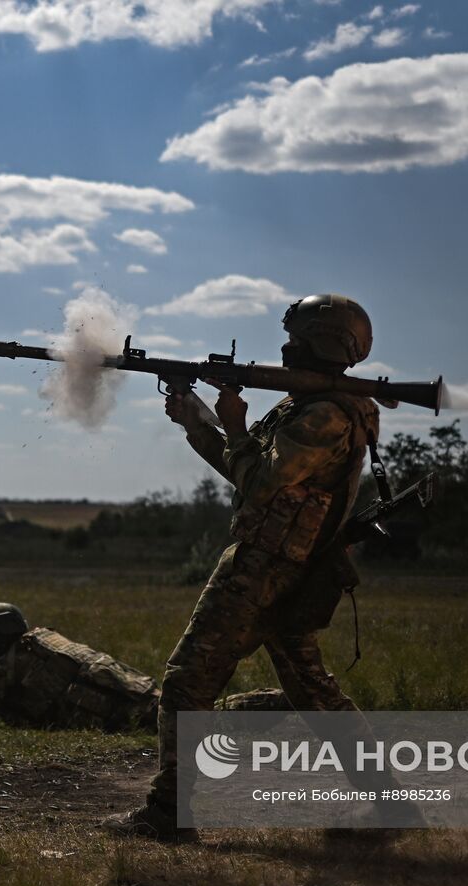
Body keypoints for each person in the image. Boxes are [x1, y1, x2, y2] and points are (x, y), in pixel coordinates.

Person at [102, 294, 381, 841]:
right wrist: (197, 419)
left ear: (320, 344)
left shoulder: (325, 414)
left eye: (295, 340)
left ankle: (169, 814)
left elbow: (259, 480)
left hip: (265, 569)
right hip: (288, 566)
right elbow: (249, 469)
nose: (284, 347)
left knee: (186, 682)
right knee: (313, 690)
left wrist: (232, 424)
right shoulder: (312, 405)